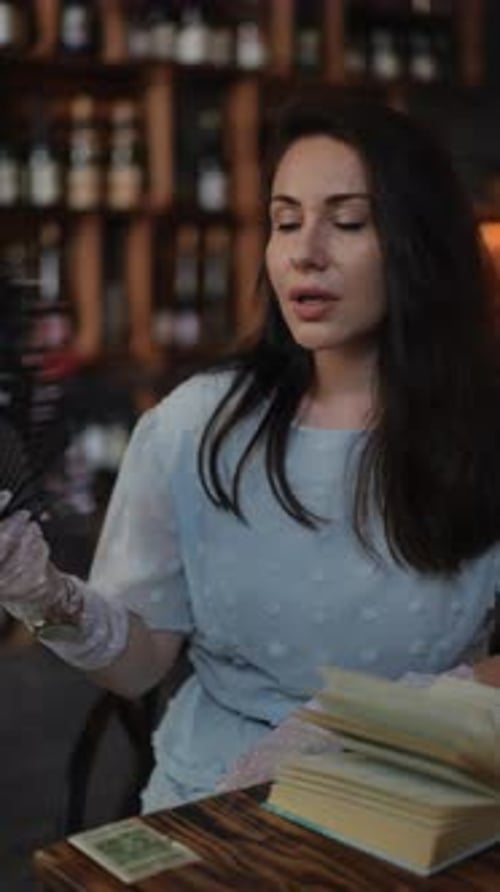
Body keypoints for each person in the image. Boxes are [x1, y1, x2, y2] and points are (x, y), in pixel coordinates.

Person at [1, 93, 500, 811]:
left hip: (415, 807)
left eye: (348, 221)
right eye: (285, 220)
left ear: (421, 242)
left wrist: (386, 719)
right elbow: (139, 666)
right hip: (216, 805)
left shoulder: (482, 430)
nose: (305, 252)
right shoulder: (196, 426)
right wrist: (47, 598)